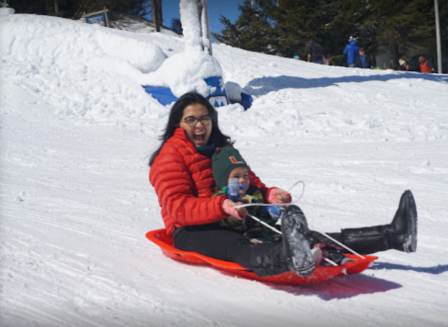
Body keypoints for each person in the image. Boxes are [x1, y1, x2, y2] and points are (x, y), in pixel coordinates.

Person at [149, 92, 418, 278]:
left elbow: (252, 183)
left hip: (231, 217)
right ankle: (291, 258)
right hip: (189, 230)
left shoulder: (223, 149)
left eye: (205, 118)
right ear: (178, 123)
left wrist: (269, 194)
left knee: (307, 238)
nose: (199, 125)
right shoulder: (169, 156)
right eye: (191, 120)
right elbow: (177, 207)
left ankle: (393, 235)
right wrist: (222, 205)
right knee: (235, 245)